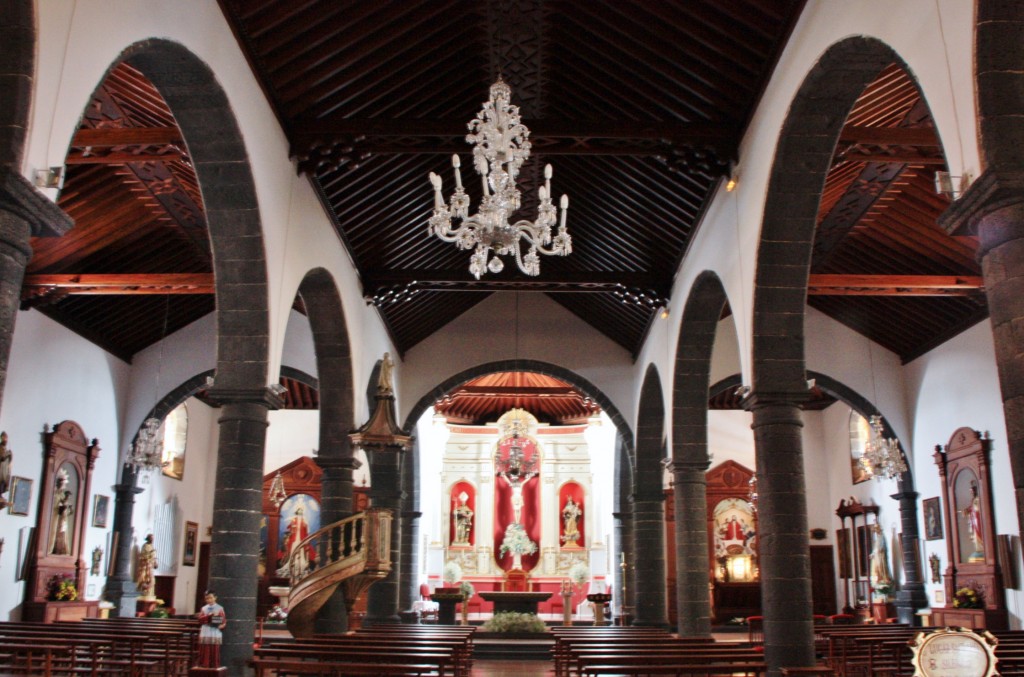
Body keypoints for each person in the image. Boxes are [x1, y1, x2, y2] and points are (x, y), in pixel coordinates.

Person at [196, 590, 227, 668]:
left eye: (210, 598)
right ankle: (204, 665)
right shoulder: (204, 608)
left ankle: (214, 666)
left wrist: (220, 623)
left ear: (215, 598)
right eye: (207, 598)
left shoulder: (219, 608)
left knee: (214, 650)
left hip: (215, 631)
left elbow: (223, 620)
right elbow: (200, 619)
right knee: (205, 650)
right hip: (206, 631)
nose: (209, 600)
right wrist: (209, 617)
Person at [962, 481, 984, 560]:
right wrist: (967, 511)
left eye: (973, 491)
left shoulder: (978, 499)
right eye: (971, 492)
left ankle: (981, 549)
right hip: (973, 519)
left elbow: (977, 508)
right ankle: (978, 549)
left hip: (978, 519)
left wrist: (970, 509)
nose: (972, 493)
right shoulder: (973, 500)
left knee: (979, 533)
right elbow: (971, 508)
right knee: (975, 534)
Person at [869, 523, 892, 588]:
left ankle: (883, 580)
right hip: (877, 557)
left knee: (882, 569)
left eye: (876, 530)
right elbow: (875, 548)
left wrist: (878, 551)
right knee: (877, 569)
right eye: (875, 531)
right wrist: (872, 554)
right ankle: (879, 580)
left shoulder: (882, 537)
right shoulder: (877, 539)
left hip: (881, 557)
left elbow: (881, 548)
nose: (876, 532)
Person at [52, 489, 74, 555]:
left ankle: (62, 549)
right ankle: (57, 548)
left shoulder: (68, 503)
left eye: (69, 496)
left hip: (65, 519)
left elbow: (71, 513)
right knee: (59, 533)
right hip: (60, 519)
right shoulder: (61, 501)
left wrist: (70, 509)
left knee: (63, 533)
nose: (68, 497)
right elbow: (58, 510)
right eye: (67, 496)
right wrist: (63, 508)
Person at [136, 534, 157, 598]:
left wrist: (155, 562)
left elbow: (154, 557)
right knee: (144, 578)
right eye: (151, 539)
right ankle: (143, 591)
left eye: (153, 539)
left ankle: (149, 593)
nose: (152, 540)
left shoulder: (152, 546)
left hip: (150, 566)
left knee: (152, 579)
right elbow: (143, 555)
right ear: (148, 539)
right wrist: (150, 553)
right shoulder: (145, 546)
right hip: (145, 566)